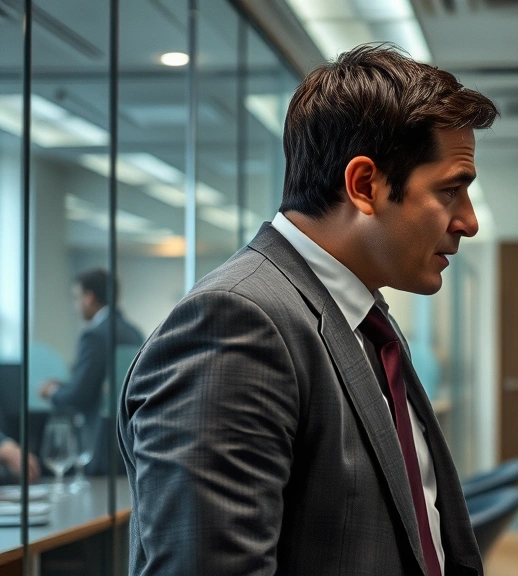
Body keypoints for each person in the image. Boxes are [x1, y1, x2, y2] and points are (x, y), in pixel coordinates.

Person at [118, 44, 497, 575]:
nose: (469, 221)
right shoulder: (237, 324)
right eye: (451, 190)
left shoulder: (363, 321)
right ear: (365, 185)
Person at [40, 268, 143, 474]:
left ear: (89, 297)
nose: (75, 305)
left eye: (76, 297)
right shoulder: (133, 333)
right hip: (127, 441)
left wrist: (52, 392)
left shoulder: (95, 335)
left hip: (97, 443)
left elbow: (81, 394)